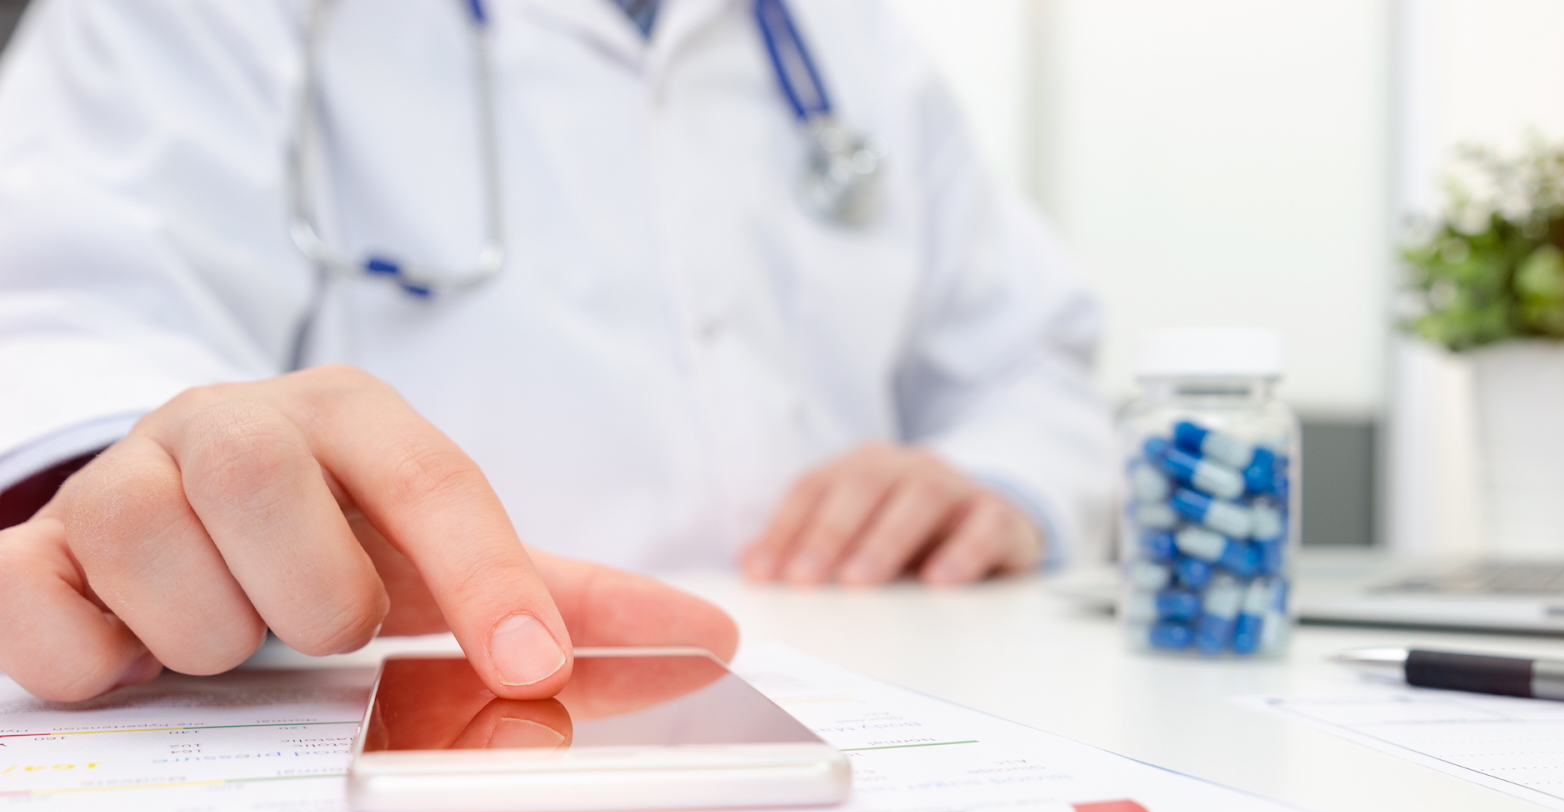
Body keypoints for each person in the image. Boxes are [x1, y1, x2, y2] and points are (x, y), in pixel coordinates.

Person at [0, 0, 1114, 702]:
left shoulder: (846, 35)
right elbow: (59, 325)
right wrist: (174, 493)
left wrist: (993, 482)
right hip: (388, 698)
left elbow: (1038, 369)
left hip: (865, 683)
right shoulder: (181, 21)